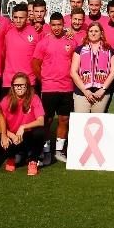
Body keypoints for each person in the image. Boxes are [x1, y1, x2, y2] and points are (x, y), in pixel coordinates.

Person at [33, 13, 76, 162]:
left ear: (64, 24)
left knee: (64, 119)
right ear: (50, 26)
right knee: (47, 121)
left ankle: (59, 151)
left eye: (59, 25)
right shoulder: (43, 43)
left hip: (67, 87)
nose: (57, 28)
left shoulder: (72, 41)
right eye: (54, 25)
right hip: (49, 88)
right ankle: (46, 151)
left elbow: (76, 62)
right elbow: (35, 64)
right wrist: (44, 80)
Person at [0, 73, 45, 176]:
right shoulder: (6, 100)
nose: (19, 87)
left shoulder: (34, 98)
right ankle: (11, 157)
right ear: (12, 86)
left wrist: (23, 127)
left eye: (22, 85)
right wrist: (10, 135)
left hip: (26, 135)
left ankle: (33, 161)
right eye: (16, 85)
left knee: (40, 132)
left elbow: (41, 121)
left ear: (27, 86)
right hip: (12, 136)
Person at [71, 23, 114, 114]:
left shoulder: (109, 50)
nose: (93, 33)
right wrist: (85, 91)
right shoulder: (80, 49)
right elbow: (73, 72)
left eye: (96, 31)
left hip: (101, 93)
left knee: (97, 123)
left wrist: (103, 89)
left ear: (101, 33)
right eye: (91, 31)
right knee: (82, 122)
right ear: (87, 33)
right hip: (82, 92)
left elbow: (113, 71)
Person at [2, 4, 39, 97]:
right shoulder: (7, 30)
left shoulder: (35, 32)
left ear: (27, 17)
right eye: (15, 17)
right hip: (9, 80)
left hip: (29, 80)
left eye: (21, 18)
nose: (18, 20)